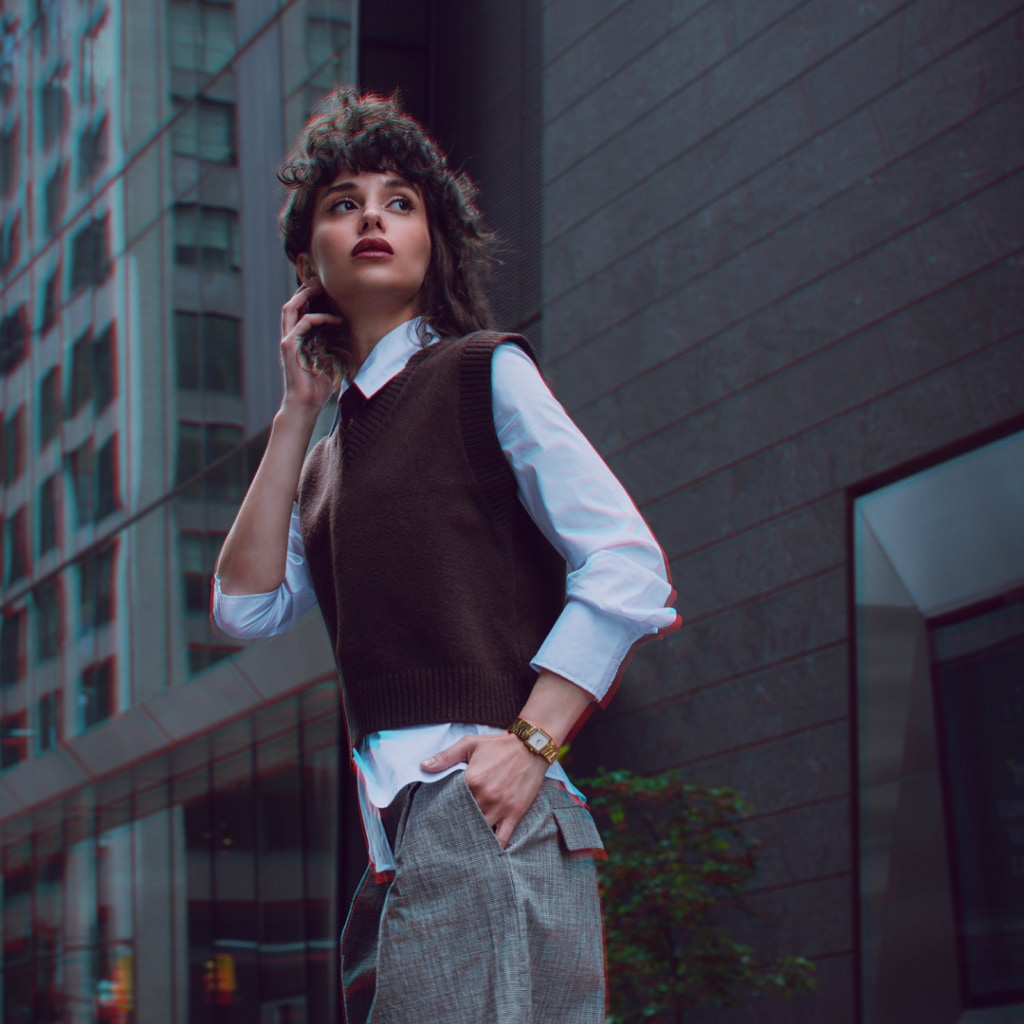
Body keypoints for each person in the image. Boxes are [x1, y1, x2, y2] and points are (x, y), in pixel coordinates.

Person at [212, 89, 679, 1024]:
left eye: (399, 201)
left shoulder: (481, 373)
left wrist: (533, 742)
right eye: (343, 204)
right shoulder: (329, 456)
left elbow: (628, 562)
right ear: (310, 262)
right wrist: (297, 413)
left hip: (482, 810)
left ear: (433, 243)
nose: (372, 218)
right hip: (399, 847)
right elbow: (244, 607)